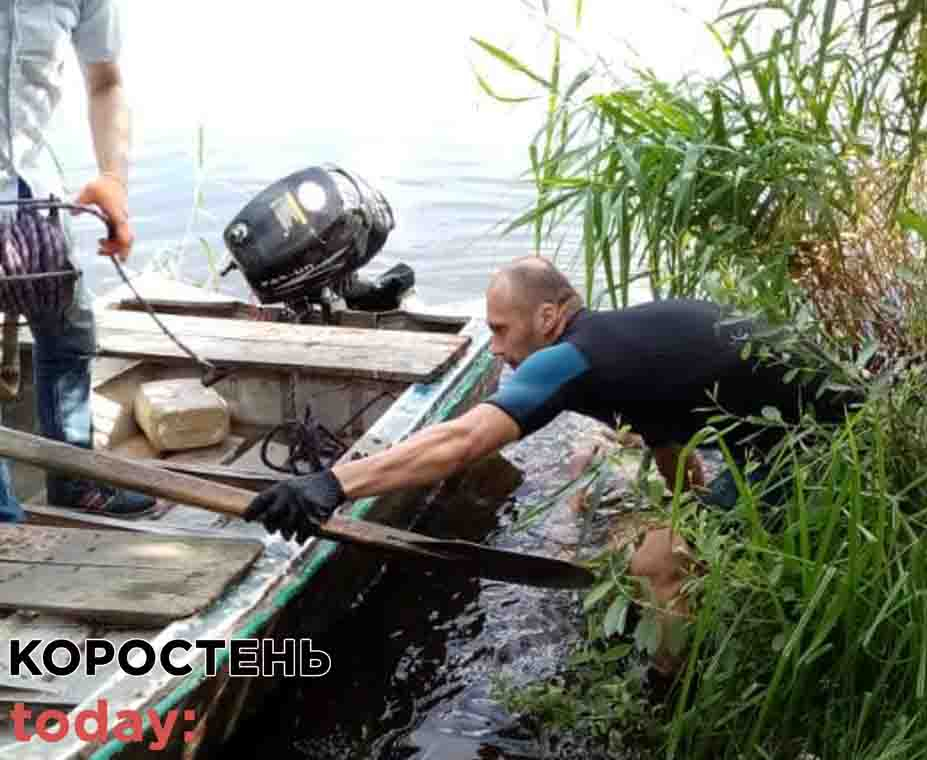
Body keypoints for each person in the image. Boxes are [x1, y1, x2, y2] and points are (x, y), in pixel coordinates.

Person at [245, 257, 857, 637]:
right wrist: (692, 516)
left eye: (500, 330)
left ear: (547, 316)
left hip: (827, 451)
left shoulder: (575, 357)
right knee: (674, 535)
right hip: (814, 430)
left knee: (654, 562)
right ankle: (727, 601)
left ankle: (670, 700)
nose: (495, 349)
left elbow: (463, 439)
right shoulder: (628, 346)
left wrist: (332, 484)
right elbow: (674, 452)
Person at [0, 0, 155, 523]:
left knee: (69, 338)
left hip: (32, 198)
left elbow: (106, 81)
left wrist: (114, 179)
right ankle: (3, 518)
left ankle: (72, 480)